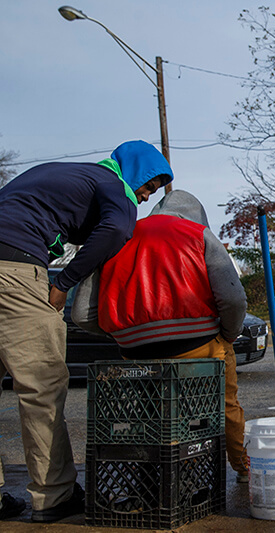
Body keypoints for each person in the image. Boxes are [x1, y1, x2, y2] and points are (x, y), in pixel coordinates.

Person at [0, 140, 173, 522]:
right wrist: (66, 282)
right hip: (13, 269)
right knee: (40, 387)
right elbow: (116, 228)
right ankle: (54, 495)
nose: (144, 199)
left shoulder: (62, 174)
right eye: (147, 187)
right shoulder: (114, 185)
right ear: (134, 172)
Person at [72, 189, 249, 482]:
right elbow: (233, 300)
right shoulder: (199, 234)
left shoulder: (118, 235)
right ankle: (242, 466)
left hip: (135, 353)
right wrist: (228, 334)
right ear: (198, 216)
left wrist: (125, 333)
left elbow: (81, 315)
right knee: (224, 404)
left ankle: (151, 474)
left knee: (149, 412)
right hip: (199, 345)